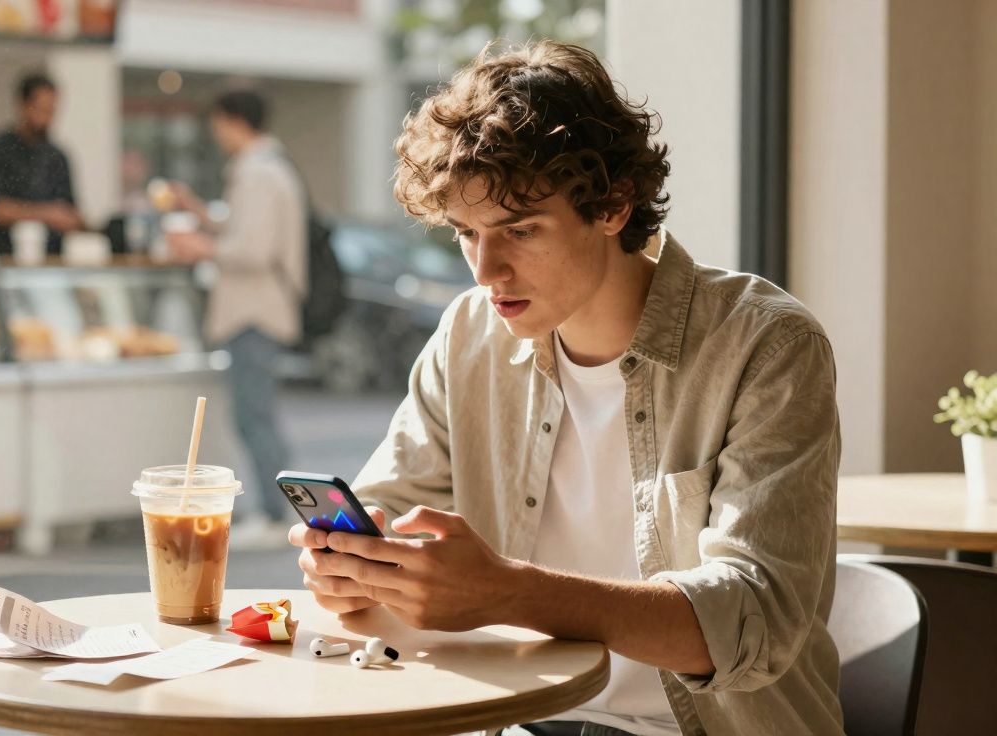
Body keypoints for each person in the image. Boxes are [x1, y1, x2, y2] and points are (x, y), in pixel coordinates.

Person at [290, 41, 841, 736]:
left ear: (613, 205)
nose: (486, 271)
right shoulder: (470, 334)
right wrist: (352, 567)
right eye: (466, 234)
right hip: (517, 720)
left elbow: (752, 621)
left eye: (520, 230)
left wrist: (507, 592)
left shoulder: (765, 346)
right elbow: (390, 507)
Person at [165, 90, 308, 546]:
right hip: (260, 311)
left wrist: (199, 247)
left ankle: (274, 514)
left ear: (231, 121)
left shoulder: (258, 173)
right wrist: (201, 214)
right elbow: (246, 232)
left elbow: (253, 249)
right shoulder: (268, 168)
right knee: (258, 415)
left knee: (254, 417)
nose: (216, 133)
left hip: (253, 313)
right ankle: (278, 512)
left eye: (217, 123)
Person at [0, 73, 84, 256]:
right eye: (42, 110)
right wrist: (47, 214)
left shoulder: (57, 157)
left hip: (51, 259)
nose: (47, 118)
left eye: (51, 111)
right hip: (4, 256)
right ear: (23, 105)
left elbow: (70, 211)